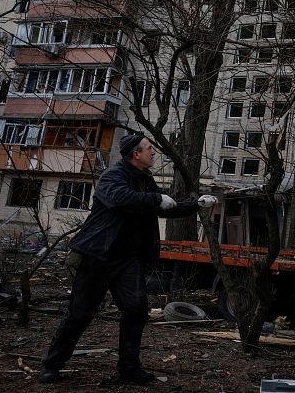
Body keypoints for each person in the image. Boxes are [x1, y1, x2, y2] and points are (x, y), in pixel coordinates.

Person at [40, 133, 217, 384]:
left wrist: (197, 204)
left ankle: (129, 368)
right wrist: (156, 198)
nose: (153, 153)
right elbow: (119, 200)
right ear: (136, 154)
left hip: (128, 260)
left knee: (136, 309)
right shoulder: (113, 176)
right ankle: (52, 364)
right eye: (149, 149)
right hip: (98, 257)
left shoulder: (145, 180)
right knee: (80, 314)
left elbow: (166, 207)